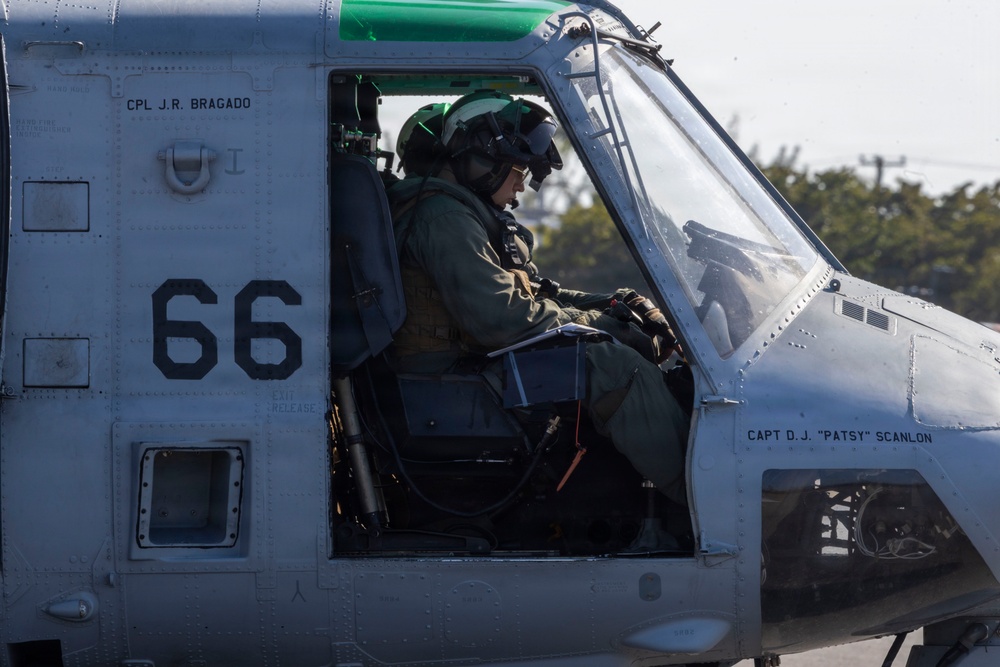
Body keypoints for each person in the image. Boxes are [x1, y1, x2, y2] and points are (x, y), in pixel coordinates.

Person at [386, 91, 689, 505]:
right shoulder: (444, 218)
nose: (521, 186)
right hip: (447, 378)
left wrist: (615, 305)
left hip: (467, 367)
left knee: (610, 351)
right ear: (483, 160)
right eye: (516, 170)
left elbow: (538, 293)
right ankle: (700, 502)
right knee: (617, 368)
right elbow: (501, 316)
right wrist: (606, 330)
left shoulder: (462, 214)